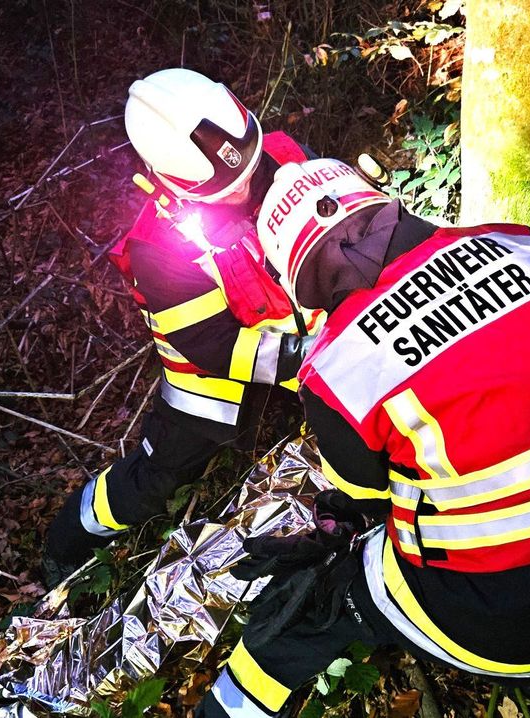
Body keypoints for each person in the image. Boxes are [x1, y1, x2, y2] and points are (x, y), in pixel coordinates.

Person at [197, 159, 530, 717]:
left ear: (299, 278)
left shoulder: (335, 371)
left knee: (311, 604)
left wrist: (327, 530)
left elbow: (366, 504)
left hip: (497, 620)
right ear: (380, 200)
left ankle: (224, 709)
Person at [44, 69, 322, 582]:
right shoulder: (160, 247)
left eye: (250, 170)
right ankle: (69, 536)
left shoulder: (283, 152)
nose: (245, 193)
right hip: (211, 381)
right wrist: (313, 356)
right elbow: (212, 346)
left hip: (308, 338)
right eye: (225, 189)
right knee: (159, 476)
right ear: (167, 179)